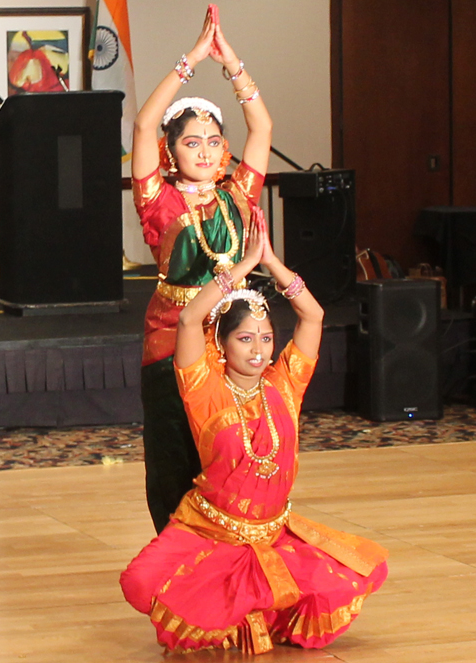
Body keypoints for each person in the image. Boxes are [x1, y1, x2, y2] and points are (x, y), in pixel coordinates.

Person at [120, 211, 389, 655]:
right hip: (212, 532)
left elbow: (313, 316)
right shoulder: (203, 388)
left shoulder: (285, 384)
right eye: (245, 339)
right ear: (222, 345)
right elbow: (188, 321)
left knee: (335, 580)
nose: (259, 350)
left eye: (266, 338)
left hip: (271, 533)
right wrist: (241, 269)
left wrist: (273, 263)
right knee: (142, 581)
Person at [132, 5, 272, 533]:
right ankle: (179, 573)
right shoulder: (157, 202)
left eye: (214, 141)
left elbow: (263, 125)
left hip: (230, 344)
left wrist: (230, 61)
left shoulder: (238, 195)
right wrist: (192, 57)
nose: (207, 151)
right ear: (171, 152)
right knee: (175, 463)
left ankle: (227, 568)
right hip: (170, 344)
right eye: (192, 141)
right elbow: (146, 122)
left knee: (231, 460)